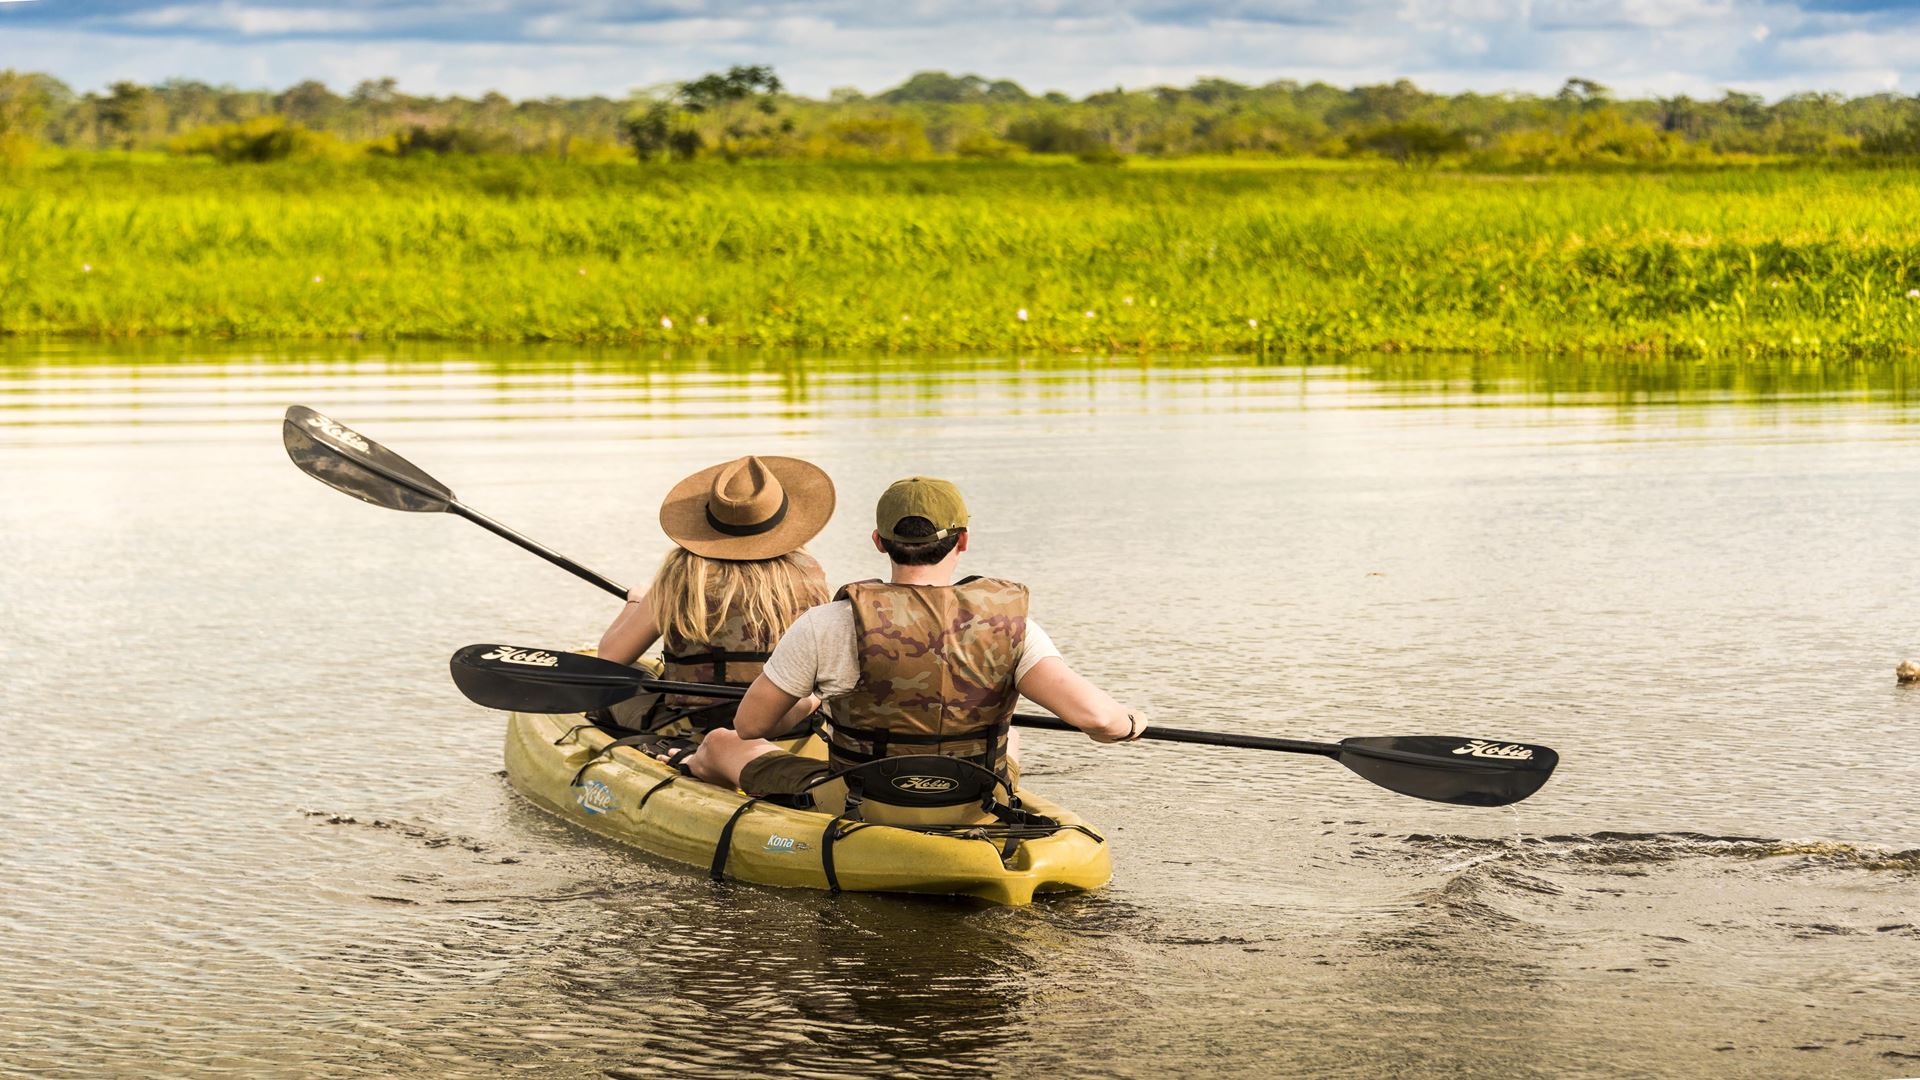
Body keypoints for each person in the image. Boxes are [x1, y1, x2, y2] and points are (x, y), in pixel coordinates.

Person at [662, 475, 1145, 821]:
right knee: (1009, 727)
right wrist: (1127, 725)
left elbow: (751, 726)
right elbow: (1098, 719)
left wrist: (818, 698)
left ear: (879, 541)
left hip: (863, 802)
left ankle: (701, 776)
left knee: (721, 743)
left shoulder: (828, 623)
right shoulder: (1013, 627)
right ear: (963, 542)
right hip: (975, 799)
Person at [597, 454, 835, 740]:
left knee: (607, 682)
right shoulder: (809, 573)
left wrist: (636, 602)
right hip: (789, 722)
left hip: (697, 724)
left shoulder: (683, 574)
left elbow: (611, 658)